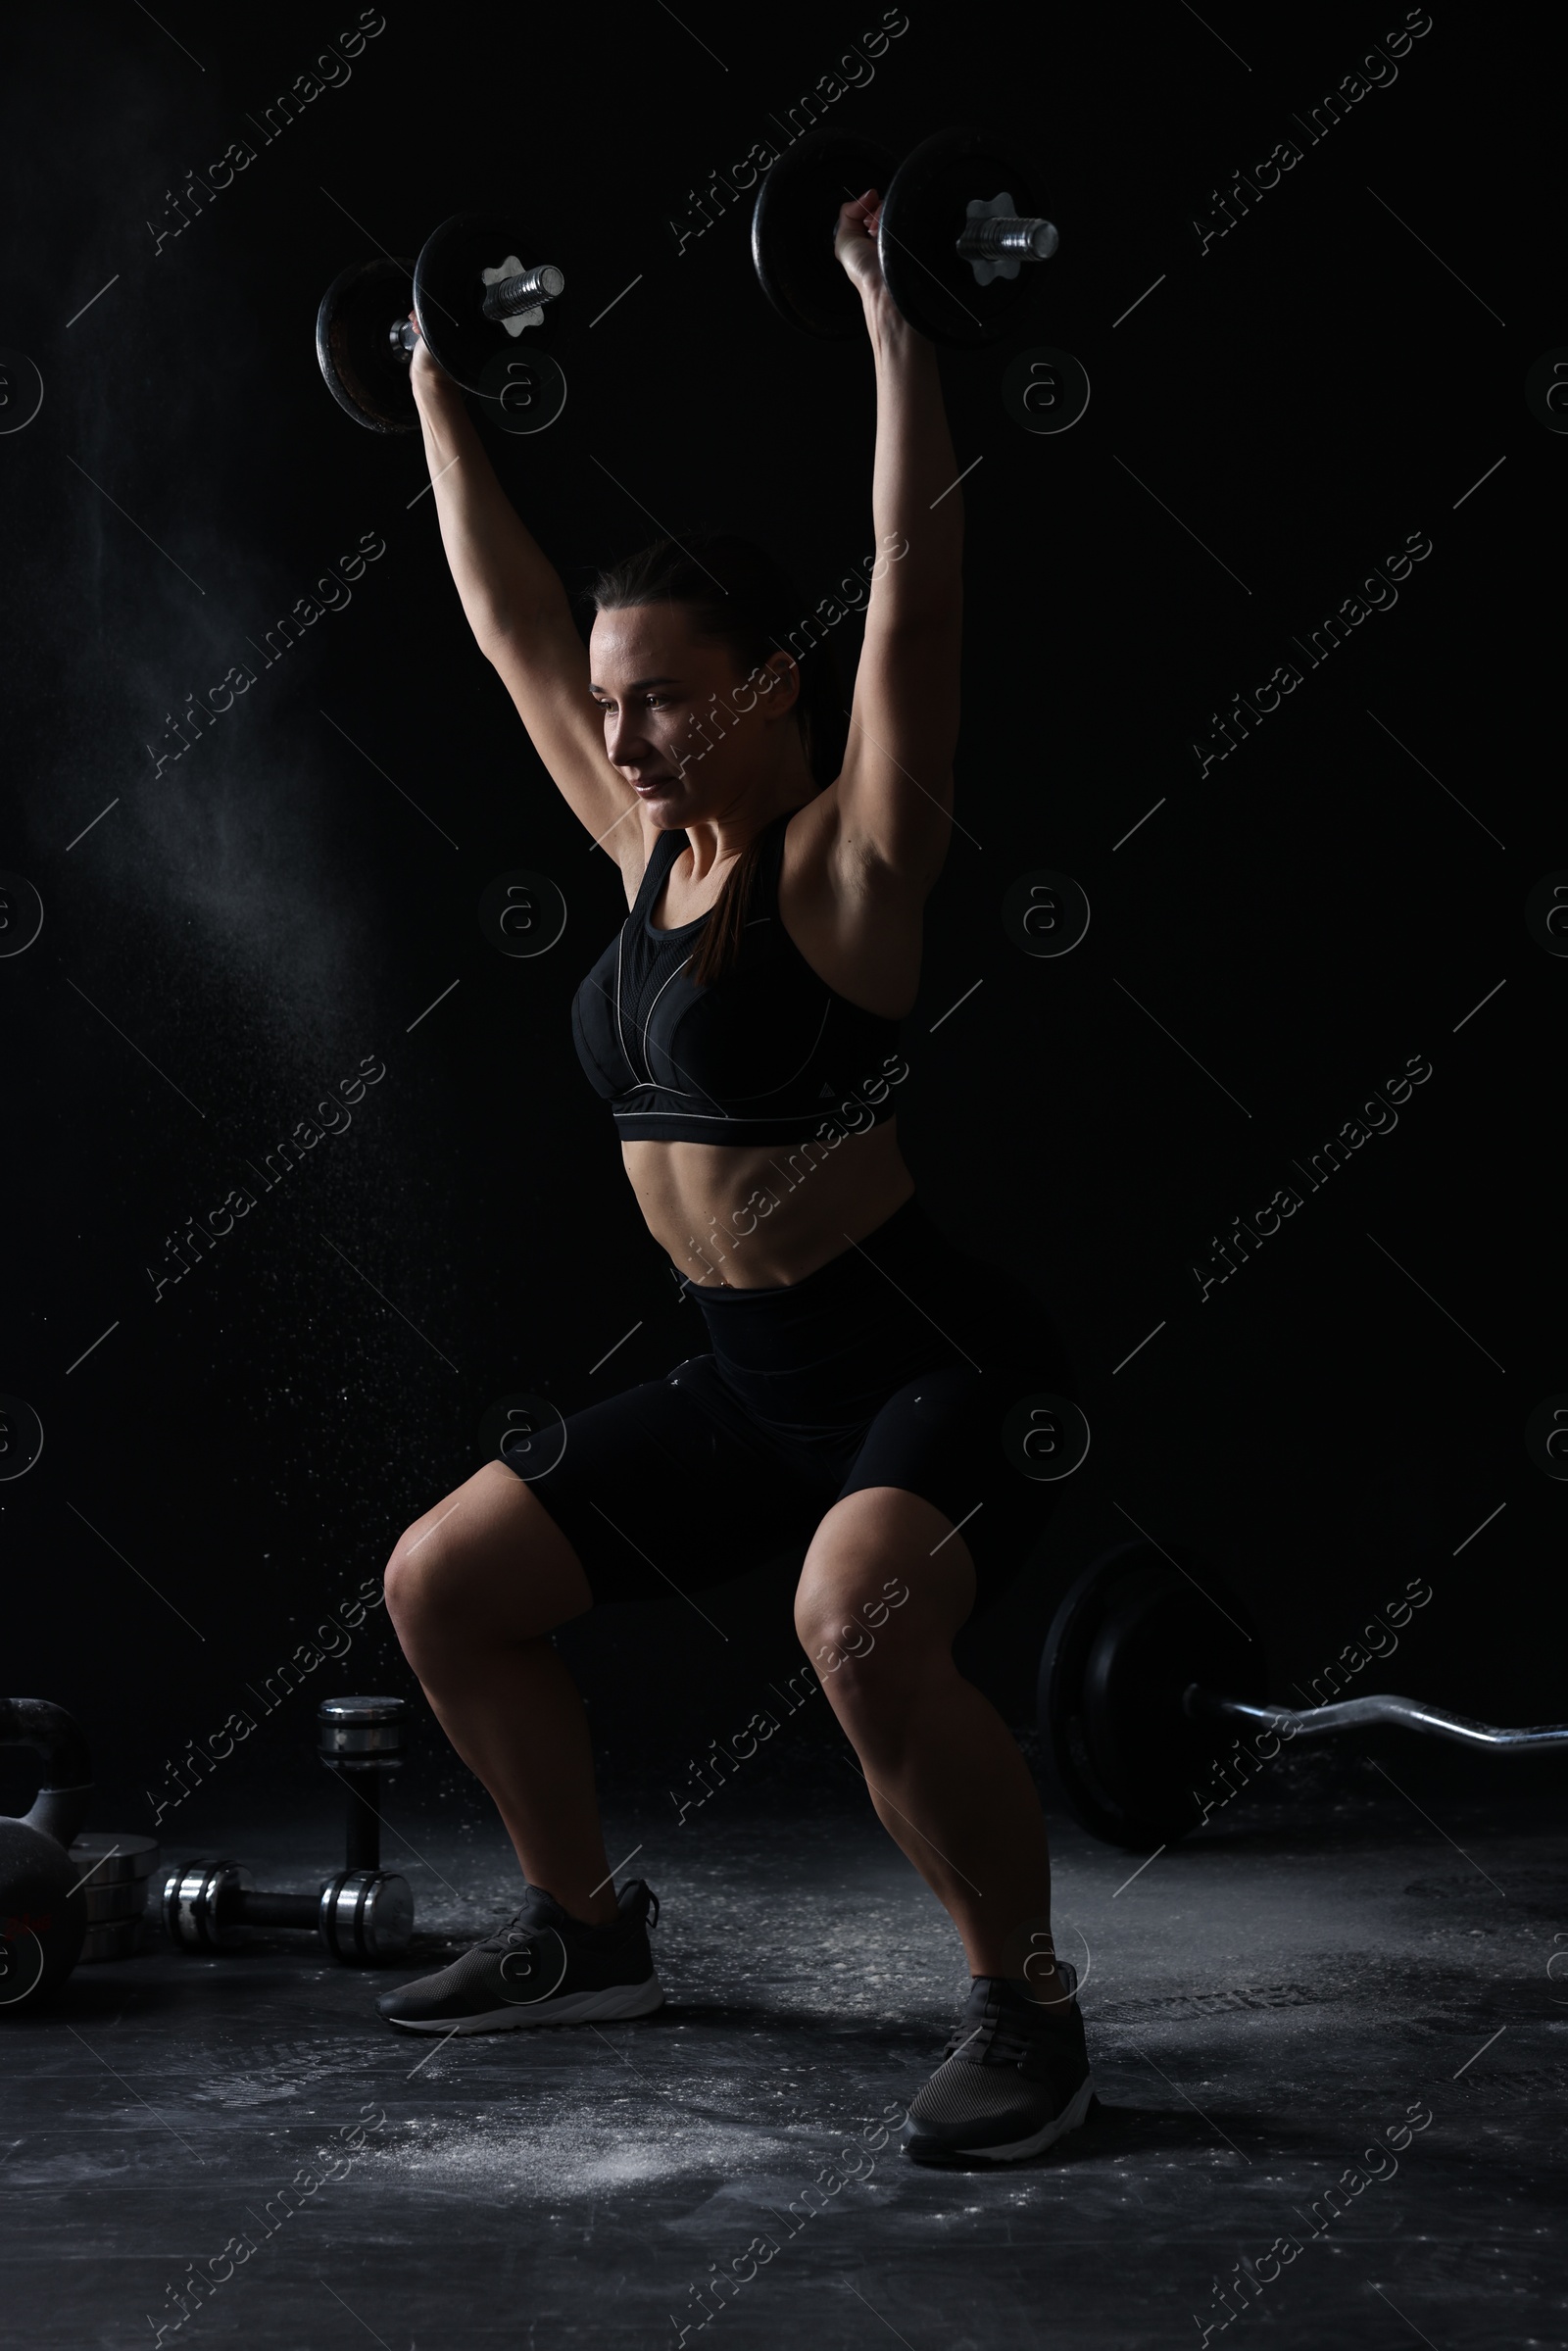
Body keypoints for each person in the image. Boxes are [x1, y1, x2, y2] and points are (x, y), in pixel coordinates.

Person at [374, 190, 1094, 2165]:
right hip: (737, 1382)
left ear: (770, 683)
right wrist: (438, 384)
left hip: (924, 1365)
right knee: (440, 1586)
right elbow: (503, 615)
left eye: (662, 697)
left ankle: (1024, 2009)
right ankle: (585, 1931)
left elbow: (915, 589)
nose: (619, 732)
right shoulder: (640, 852)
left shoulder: (846, 878)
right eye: (609, 704)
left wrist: (892, 318)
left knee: (853, 1628)